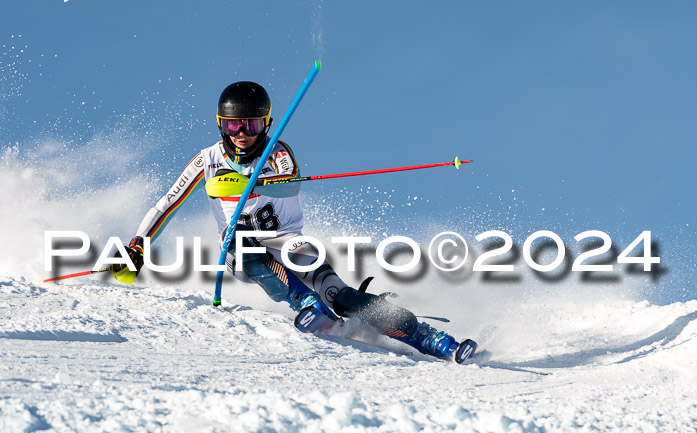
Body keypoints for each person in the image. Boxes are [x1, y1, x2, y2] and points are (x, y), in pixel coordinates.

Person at [111, 81, 476, 363]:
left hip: (288, 242)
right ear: (222, 125)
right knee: (243, 244)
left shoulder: (278, 152)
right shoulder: (205, 160)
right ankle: (303, 303)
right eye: (234, 124)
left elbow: (289, 181)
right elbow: (167, 204)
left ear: (265, 123)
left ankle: (430, 340)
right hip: (242, 251)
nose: (242, 133)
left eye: (251, 124)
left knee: (343, 296)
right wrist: (138, 243)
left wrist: (251, 184)